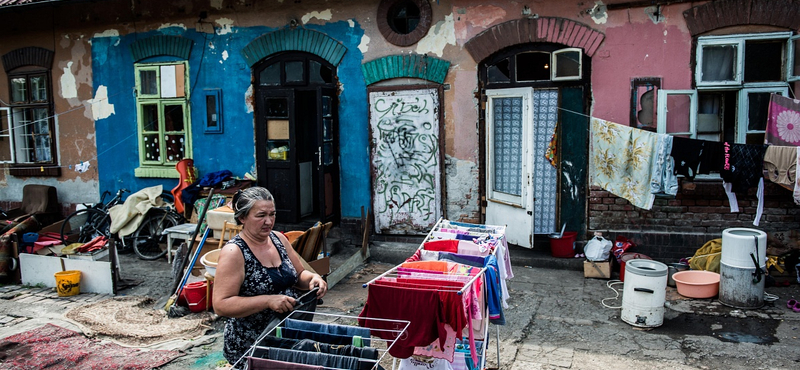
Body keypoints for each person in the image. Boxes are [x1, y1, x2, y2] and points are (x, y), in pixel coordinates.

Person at [212, 186, 327, 366]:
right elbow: (221, 304)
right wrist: (268, 301)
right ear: (242, 218)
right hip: (252, 344)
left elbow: (299, 274)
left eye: (272, 214)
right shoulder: (235, 252)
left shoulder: (278, 239)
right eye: (261, 216)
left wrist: (313, 279)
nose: (268, 221)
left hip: (285, 336)